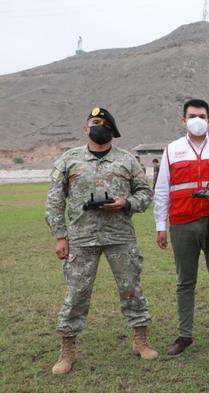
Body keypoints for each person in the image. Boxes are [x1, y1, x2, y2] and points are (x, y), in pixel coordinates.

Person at [45, 107, 158, 375]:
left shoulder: (128, 160)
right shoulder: (69, 160)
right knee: (76, 294)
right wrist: (60, 236)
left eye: (105, 123)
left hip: (120, 237)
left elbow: (145, 193)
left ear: (112, 131)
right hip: (81, 237)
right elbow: (54, 200)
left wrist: (125, 202)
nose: (100, 126)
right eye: (95, 122)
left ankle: (140, 341)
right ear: (86, 128)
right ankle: (67, 350)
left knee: (131, 288)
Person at [154, 98, 209, 356]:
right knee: (185, 282)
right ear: (183, 120)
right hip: (182, 224)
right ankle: (184, 336)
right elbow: (162, 190)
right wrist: (161, 225)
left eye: (202, 115)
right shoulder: (171, 150)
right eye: (192, 115)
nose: (197, 120)